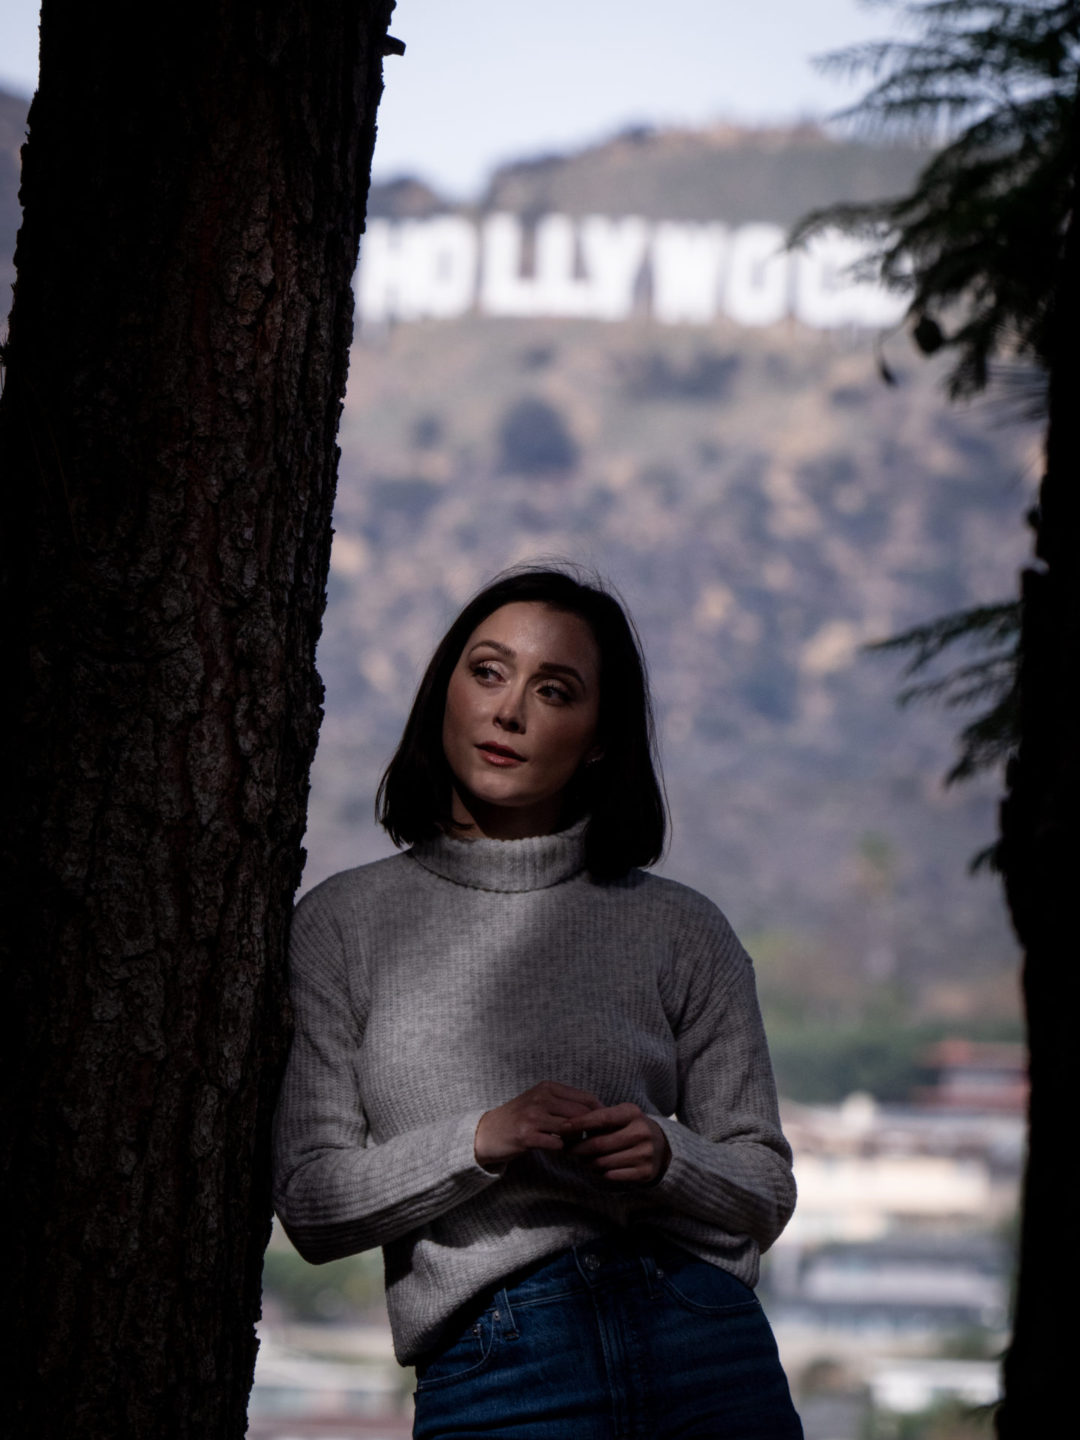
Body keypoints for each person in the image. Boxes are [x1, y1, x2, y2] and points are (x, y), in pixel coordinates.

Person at [272, 566, 803, 1439]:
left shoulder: (681, 929)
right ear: (445, 690)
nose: (509, 711)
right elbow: (313, 1203)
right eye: (487, 672)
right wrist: (482, 1140)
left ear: (598, 738)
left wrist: (668, 1153)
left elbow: (767, 1186)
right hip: (500, 1368)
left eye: (554, 691)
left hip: (706, 1346)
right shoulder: (341, 925)